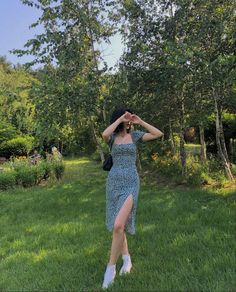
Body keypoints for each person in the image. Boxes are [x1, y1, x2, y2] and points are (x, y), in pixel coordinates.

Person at [101, 108, 164, 289]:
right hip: (113, 183)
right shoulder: (112, 138)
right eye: (126, 118)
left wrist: (140, 121)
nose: (128, 120)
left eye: (129, 117)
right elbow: (104, 133)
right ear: (120, 119)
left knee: (119, 225)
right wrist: (120, 117)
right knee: (118, 225)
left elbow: (158, 133)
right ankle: (127, 260)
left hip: (131, 183)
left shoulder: (136, 136)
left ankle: (110, 268)